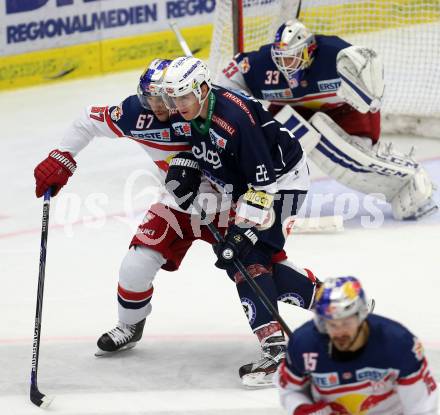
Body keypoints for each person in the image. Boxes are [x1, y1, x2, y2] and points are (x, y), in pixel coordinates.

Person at [33, 58, 319, 386]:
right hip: (180, 201)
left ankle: (324, 304)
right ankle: (130, 326)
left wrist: (246, 220)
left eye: (166, 98)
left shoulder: (215, 114)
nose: (160, 107)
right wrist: (62, 157)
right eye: (153, 99)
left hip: (232, 199)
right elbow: (87, 121)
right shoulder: (140, 114)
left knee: (254, 267)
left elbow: (258, 175)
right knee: (136, 264)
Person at [162, 55, 316, 387]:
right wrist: (184, 165)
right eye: (174, 97)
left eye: (185, 95)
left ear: (203, 89)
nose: (179, 104)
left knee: (247, 258)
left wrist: (242, 232)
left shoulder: (235, 118)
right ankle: (334, 303)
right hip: (244, 188)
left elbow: (264, 186)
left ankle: (275, 351)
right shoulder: (186, 112)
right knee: (249, 263)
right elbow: (194, 145)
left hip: (282, 184)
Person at [217, 19, 437, 221]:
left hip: (345, 113)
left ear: (309, 51)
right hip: (291, 110)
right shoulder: (260, 64)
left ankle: (408, 178)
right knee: (265, 153)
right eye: (281, 58)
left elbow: (370, 97)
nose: (286, 65)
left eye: (292, 57)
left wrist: (368, 89)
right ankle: (257, 201)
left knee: (357, 159)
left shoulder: (337, 55)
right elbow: (230, 80)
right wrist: (243, 110)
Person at [274, 276, 438, 414]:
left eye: (346, 323)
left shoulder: (398, 343)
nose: (339, 333)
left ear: (361, 317)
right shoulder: (304, 344)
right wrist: (303, 408)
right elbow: (290, 389)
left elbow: (421, 407)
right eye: (332, 325)